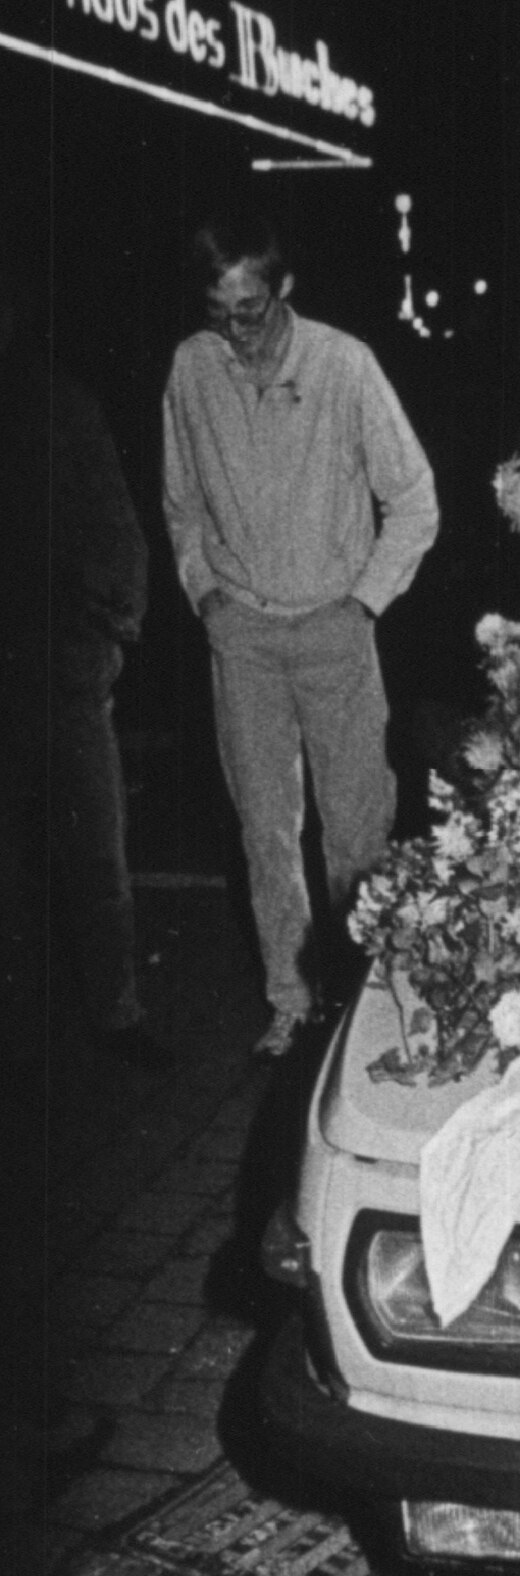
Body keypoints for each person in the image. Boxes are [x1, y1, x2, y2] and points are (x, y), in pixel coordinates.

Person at [162, 217, 439, 1057]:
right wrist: (205, 592)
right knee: (265, 830)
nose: (235, 330)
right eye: (220, 311)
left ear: (283, 290)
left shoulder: (344, 365)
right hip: (241, 630)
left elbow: (416, 498)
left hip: (333, 623)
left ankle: (362, 998)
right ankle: (292, 996)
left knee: (357, 828)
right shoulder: (191, 368)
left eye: (250, 309)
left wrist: (362, 603)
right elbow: (182, 504)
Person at [0, 256, 168, 1069]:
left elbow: (113, 523)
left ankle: (117, 1013)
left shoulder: (59, 406)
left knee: (97, 851)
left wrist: (114, 627)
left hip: (60, 664)